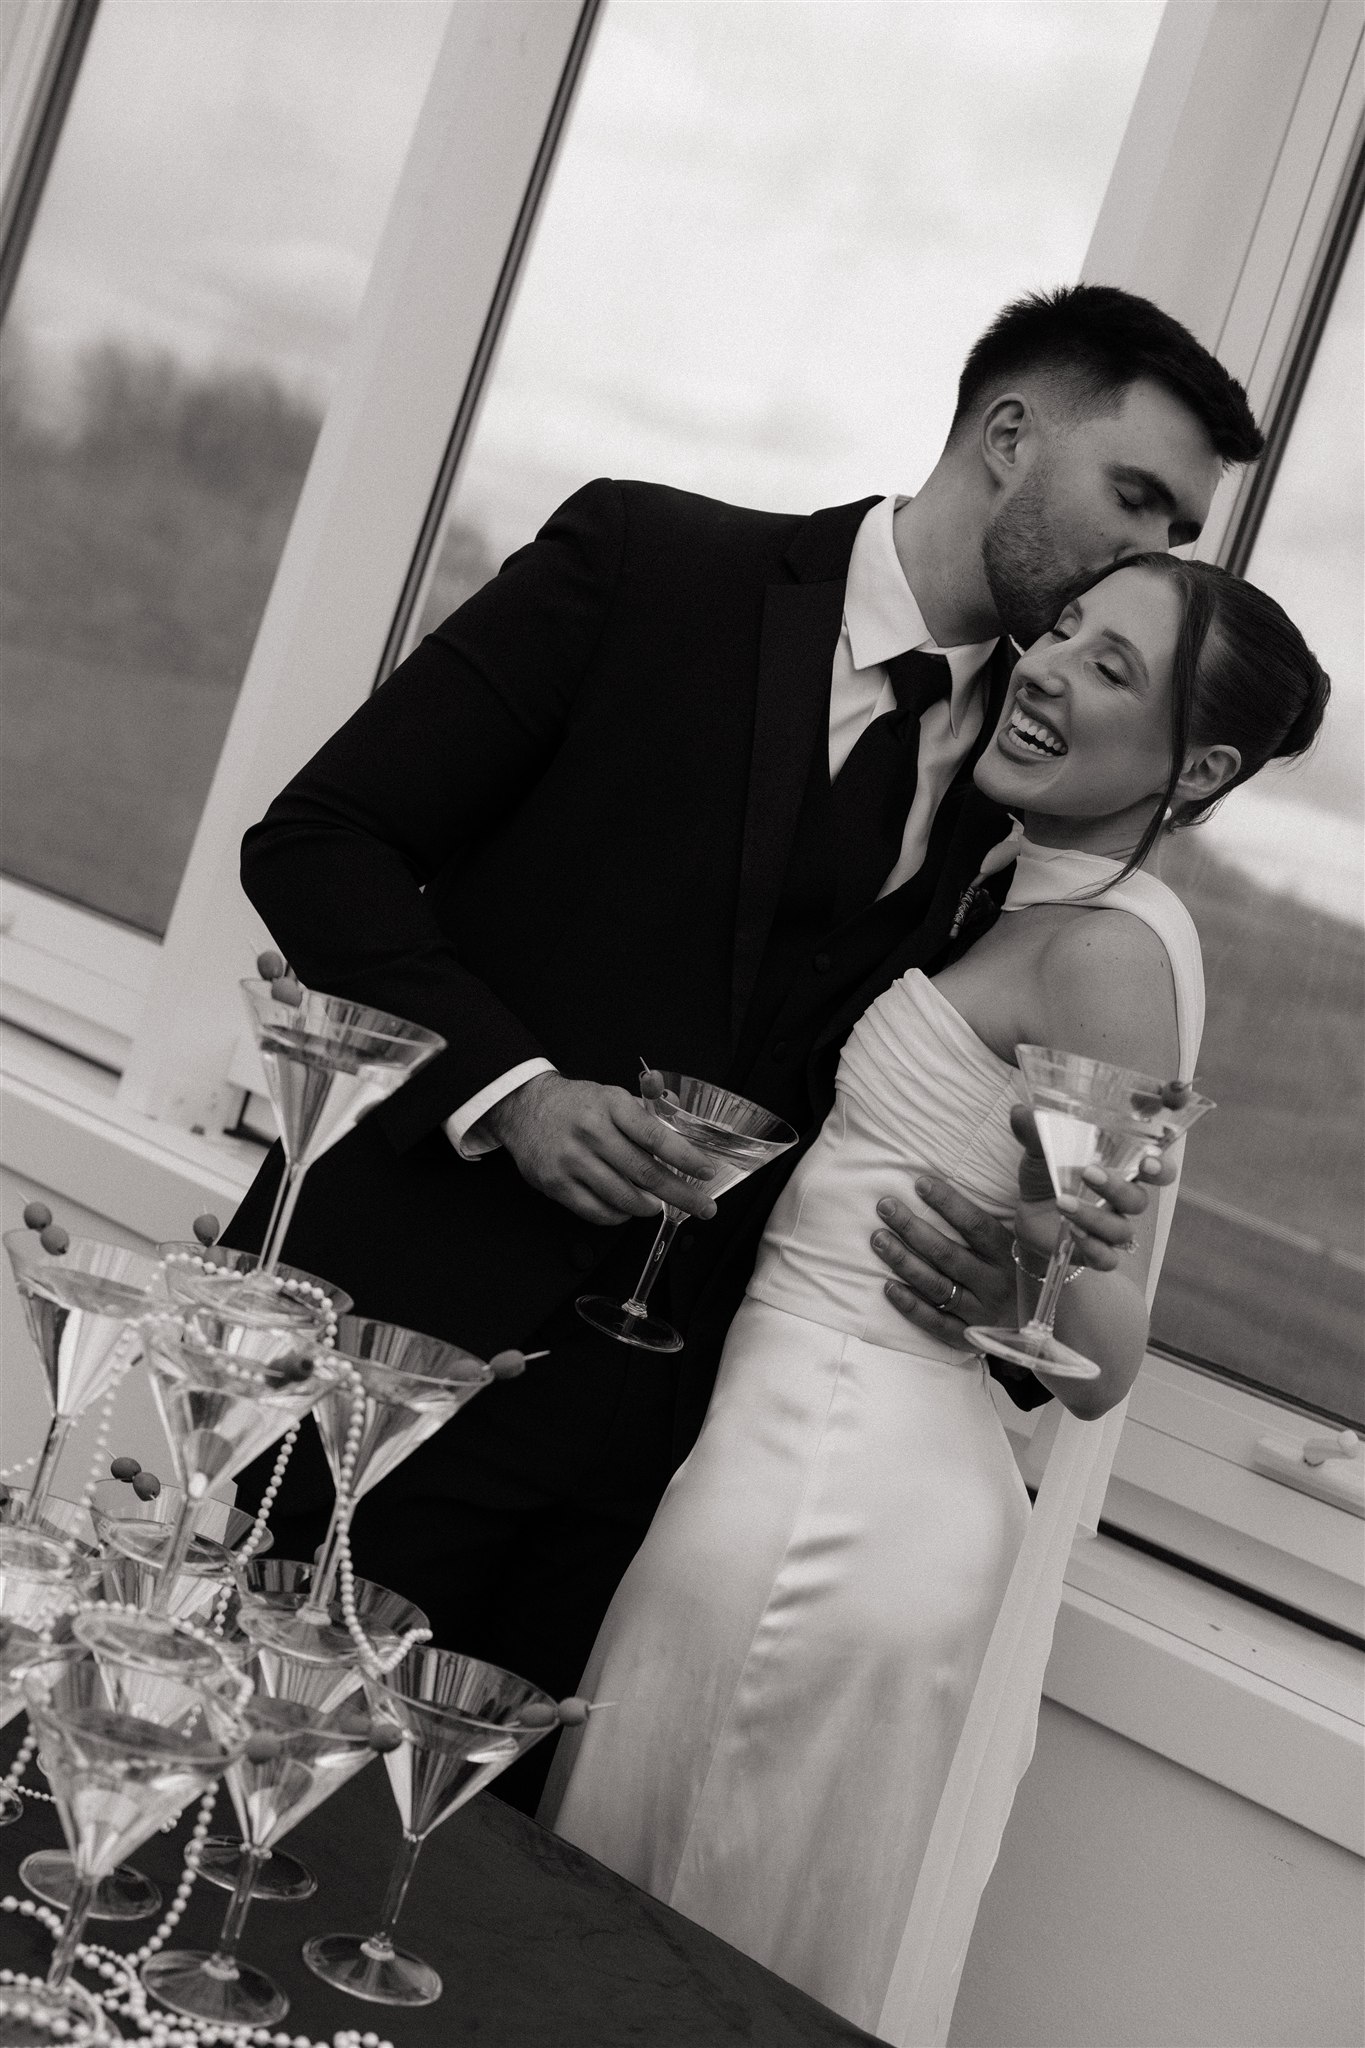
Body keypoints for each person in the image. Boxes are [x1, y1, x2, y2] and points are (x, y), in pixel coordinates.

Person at [224, 285, 1260, 1808]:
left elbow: (984, 1134)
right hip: (401, 1355)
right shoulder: (646, 563)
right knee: (231, 1791)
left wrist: (1020, 1284)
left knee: (466, 1879)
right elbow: (322, 842)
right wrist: (515, 1092)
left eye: (1176, 526)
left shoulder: (1027, 779)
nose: (1149, 552)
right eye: (1134, 497)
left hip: (674, 1462)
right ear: (1007, 434)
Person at [540, 555, 1329, 2031]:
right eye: (1068, 629)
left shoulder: (1105, 960)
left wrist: (1038, 1257)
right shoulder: (1009, 888)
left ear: (1199, 770)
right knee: (632, 1916)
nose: (1049, 667)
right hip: (783, 1442)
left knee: (668, 1955)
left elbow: (1101, 1355)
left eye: (1114, 669)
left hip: (840, 1491)